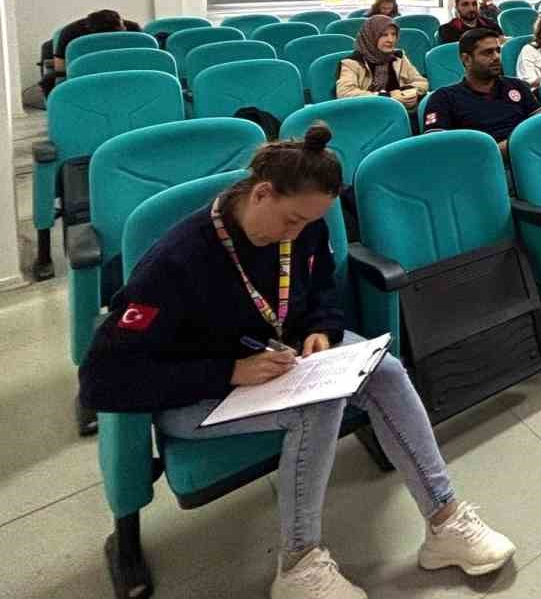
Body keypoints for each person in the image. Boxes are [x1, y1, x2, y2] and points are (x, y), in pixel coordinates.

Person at [77, 125, 516, 599]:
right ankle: (298, 563)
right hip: (196, 394)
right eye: (292, 220)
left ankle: (445, 520)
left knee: (385, 370)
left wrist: (320, 330)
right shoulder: (176, 260)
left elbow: (321, 287)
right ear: (261, 193)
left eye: (309, 223)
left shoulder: (303, 228)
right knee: (318, 407)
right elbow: (103, 378)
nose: (298, 234)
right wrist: (228, 372)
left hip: (281, 360)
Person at [423, 28, 538, 156]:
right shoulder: (443, 98)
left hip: (531, 156)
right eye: (488, 53)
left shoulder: (517, 85)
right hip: (480, 163)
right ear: (466, 59)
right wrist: (502, 150)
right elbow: (437, 147)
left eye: (498, 51)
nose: (496, 57)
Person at [336, 15, 428, 111]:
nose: (390, 40)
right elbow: (345, 93)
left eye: (393, 34)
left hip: (400, 111)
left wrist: (407, 92)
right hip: (368, 111)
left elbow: (421, 82)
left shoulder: (398, 57)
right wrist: (387, 97)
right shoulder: (352, 63)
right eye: (384, 35)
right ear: (371, 37)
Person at [54, 8, 143, 77]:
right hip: (85, 70)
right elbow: (60, 68)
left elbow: (144, 57)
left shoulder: (132, 29)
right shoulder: (70, 33)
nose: (125, 28)